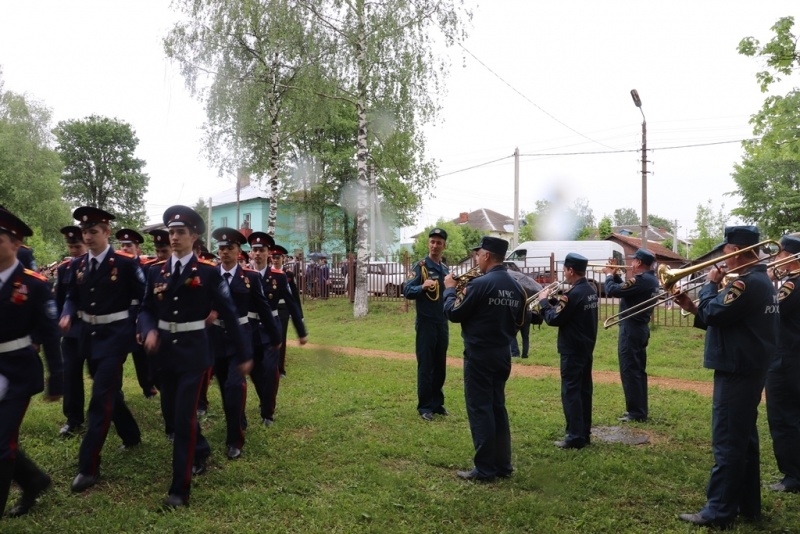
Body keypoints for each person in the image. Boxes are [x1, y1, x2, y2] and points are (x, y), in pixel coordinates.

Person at [138, 205, 252, 508]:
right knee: (173, 415)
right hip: (164, 353)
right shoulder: (155, 271)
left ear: (194, 236)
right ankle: (200, 449)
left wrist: (243, 353)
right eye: (170, 233)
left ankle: (179, 489)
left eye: (179, 233)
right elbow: (146, 309)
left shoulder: (207, 272)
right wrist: (147, 328)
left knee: (184, 416)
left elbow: (228, 311)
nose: (173, 238)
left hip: (193, 353)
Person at [674, 225, 779, 528]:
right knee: (743, 440)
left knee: (728, 442)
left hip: (737, 370)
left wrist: (709, 285)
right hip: (747, 367)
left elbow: (717, 313)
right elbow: (726, 321)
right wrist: (692, 306)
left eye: (724, 252)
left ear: (733, 251)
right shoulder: (760, 281)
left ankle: (719, 511)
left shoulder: (746, 283)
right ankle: (747, 504)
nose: (722, 258)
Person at [60, 207, 143, 493]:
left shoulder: (125, 263)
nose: (88, 236)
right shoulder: (78, 265)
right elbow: (72, 295)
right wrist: (68, 313)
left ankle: (89, 466)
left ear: (107, 232)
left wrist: (137, 324)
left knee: (99, 398)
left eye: (93, 231)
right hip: (88, 337)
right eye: (85, 232)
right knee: (108, 392)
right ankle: (131, 434)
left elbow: (142, 298)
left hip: (116, 338)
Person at [443, 236, 525, 481]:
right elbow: (520, 321)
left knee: (480, 409)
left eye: (478, 254)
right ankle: (503, 465)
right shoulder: (516, 286)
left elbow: (454, 313)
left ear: (487, 255)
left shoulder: (480, 284)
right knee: (497, 407)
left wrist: (449, 289)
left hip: (479, 354)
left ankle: (485, 469)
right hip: (502, 353)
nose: (476, 258)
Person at [0, 208, 62, 519]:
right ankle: (33, 480)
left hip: (18, 371)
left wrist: (57, 377)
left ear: (15, 243)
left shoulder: (35, 284)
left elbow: (50, 334)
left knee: (2, 444)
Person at [209, 227, 280, 460]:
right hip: (216, 340)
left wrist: (275, 337)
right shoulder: (209, 275)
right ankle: (238, 417)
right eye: (221, 248)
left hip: (241, 339)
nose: (225, 252)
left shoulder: (250, 278)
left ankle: (234, 439)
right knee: (224, 388)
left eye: (229, 248)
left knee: (234, 386)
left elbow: (263, 308)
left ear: (239, 250)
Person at [540, 253, 598, 450]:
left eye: (565, 270)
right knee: (584, 391)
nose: (564, 273)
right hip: (586, 347)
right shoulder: (590, 290)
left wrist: (542, 302)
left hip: (572, 350)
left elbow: (554, 319)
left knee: (571, 392)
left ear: (571, 270)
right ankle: (584, 433)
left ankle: (574, 436)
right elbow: (570, 311)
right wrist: (555, 300)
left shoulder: (572, 295)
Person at [248, 233, 307, 425]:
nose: (258, 254)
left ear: (268, 254)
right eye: (255, 250)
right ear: (250, 253)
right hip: (250, 330)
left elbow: (291, 303)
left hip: (271, 329)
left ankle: (268, 413)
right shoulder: (244, 275)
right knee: (255, 372)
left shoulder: (278, 277)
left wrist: (301, 330)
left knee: (271, 370)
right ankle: (264, 399)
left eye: (262, 250)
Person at [604, 248, 660, 422]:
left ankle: (636, 412)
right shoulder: (650, 280)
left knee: (629, 370)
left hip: (631, 328)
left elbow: (613, 291)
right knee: (637, 370)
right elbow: (626, 290)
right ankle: (640, 409)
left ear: (640, 263)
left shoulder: (642, 280)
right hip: (640, 328)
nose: (631, 264)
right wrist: (615, 276)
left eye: (634, 260)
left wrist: (608, 276)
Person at [765, 234, 800, 493]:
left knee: (783, 417)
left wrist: (768, 285)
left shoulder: (793, 285)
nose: (776, 258)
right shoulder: (790, 282)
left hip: (786, 359)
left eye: (779, 254)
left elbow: (770, 312)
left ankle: (793, 477)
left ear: (789, 255)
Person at [404, 228, 449, 421]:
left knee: (440, 364)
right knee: (426, 365)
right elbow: (407, 290)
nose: (435, 246)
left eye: (439, 242)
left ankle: (437, 404)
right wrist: (422, 287)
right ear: (428, 244)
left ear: (444, 246)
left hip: (442, 323)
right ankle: (424, 407)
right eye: (432, 242)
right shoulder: (420, 266)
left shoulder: (445, 270)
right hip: (426, 323)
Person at [116, 229, 157, 399]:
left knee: (141, 355)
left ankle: (148, 387)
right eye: (123, 245)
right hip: (122, 314)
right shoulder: (116, 266)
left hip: (139, 312)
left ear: (138, 249)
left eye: (129, 245)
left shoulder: (146, 267)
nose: (125, 248)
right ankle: (116, 390)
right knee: (117, 355)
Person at [55, 226, 87, 438]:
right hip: (72, 331)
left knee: (107, 376)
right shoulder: (64, 269)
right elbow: (60, 301)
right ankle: (73, 418)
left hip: (96, 328)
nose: (74, 250)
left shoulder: (102, 266)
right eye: (71, 246)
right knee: (71, 374)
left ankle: (112, 410)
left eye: (77, 246)